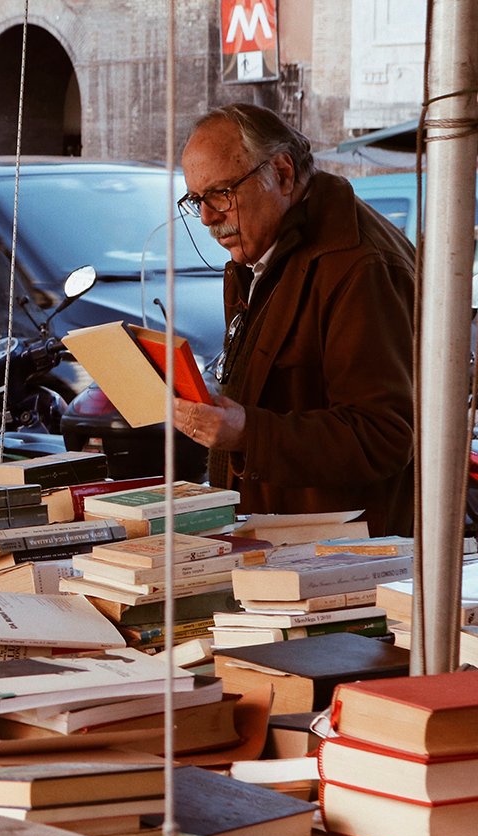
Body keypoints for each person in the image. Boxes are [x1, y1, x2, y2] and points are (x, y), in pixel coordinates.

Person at [173, 104, 415, 536]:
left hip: (341, 558)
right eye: (197, 199)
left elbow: (384, 436)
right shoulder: (264, 249)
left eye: (221, 193)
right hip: (278, 539)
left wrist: (248, 433)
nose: (208, 216)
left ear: (282, 174)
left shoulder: (358, 264)